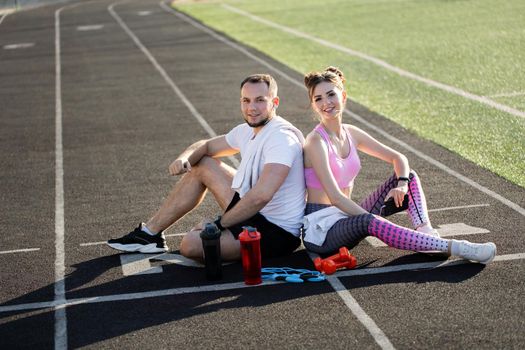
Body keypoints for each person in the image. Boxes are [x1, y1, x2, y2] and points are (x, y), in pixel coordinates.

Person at [301, 66, 496, 264]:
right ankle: (456, 247)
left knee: (408, 175)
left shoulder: (351, 133)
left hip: (346, 216)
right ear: (313, 105)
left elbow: (398, 158)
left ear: (343, 96)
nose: (326, 103)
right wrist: (377, 223)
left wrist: (401, 184)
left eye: (330, 94)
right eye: (318, 99)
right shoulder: (316, 141)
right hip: (322, 230)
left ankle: (427, 234)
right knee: (369, 221)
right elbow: (335, 198)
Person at [107, 74, 305, 261]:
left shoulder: (281, 138)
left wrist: (218, 224)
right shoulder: (247, 130)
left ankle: (228, 244)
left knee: (190, 246)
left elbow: (261, 195)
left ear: (275, 102)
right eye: (246, 100)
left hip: (276, 232)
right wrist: (185, 158)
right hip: (253, 213)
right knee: (201, 164)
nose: (252, 107)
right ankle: (149, 234)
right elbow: (207, 146)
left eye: (260, 100)